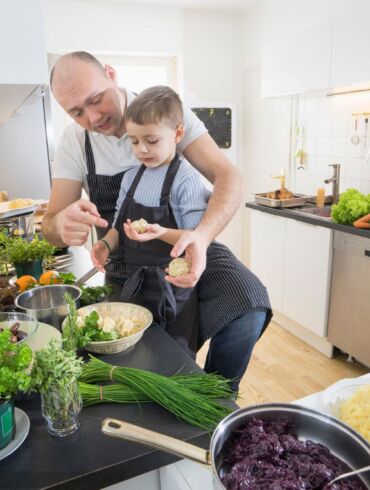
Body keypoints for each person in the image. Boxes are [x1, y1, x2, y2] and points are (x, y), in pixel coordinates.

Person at [43, 51, 272, 394]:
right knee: (145, 355)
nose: (92, 117)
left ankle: (213, 398)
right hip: (127, 260)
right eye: (76, 112)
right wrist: (61, 224)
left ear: (110, 74)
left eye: (96, 100)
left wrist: (201, 236)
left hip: (188, 244)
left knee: (248, 303)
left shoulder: (165, 112)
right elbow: (49, 224)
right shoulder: (74, 142)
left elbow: (229, 176)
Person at [91, 86, 211, 359]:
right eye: (134, 141)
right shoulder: (131, 177)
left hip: (174, 289)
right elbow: (120, 225)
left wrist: (160, 232)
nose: (142, 149)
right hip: (137, 287)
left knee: (174, 358)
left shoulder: (186, 179)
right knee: (140, 355)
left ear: (178, 133)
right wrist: (106, 245)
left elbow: (193, 239)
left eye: (152, 140)